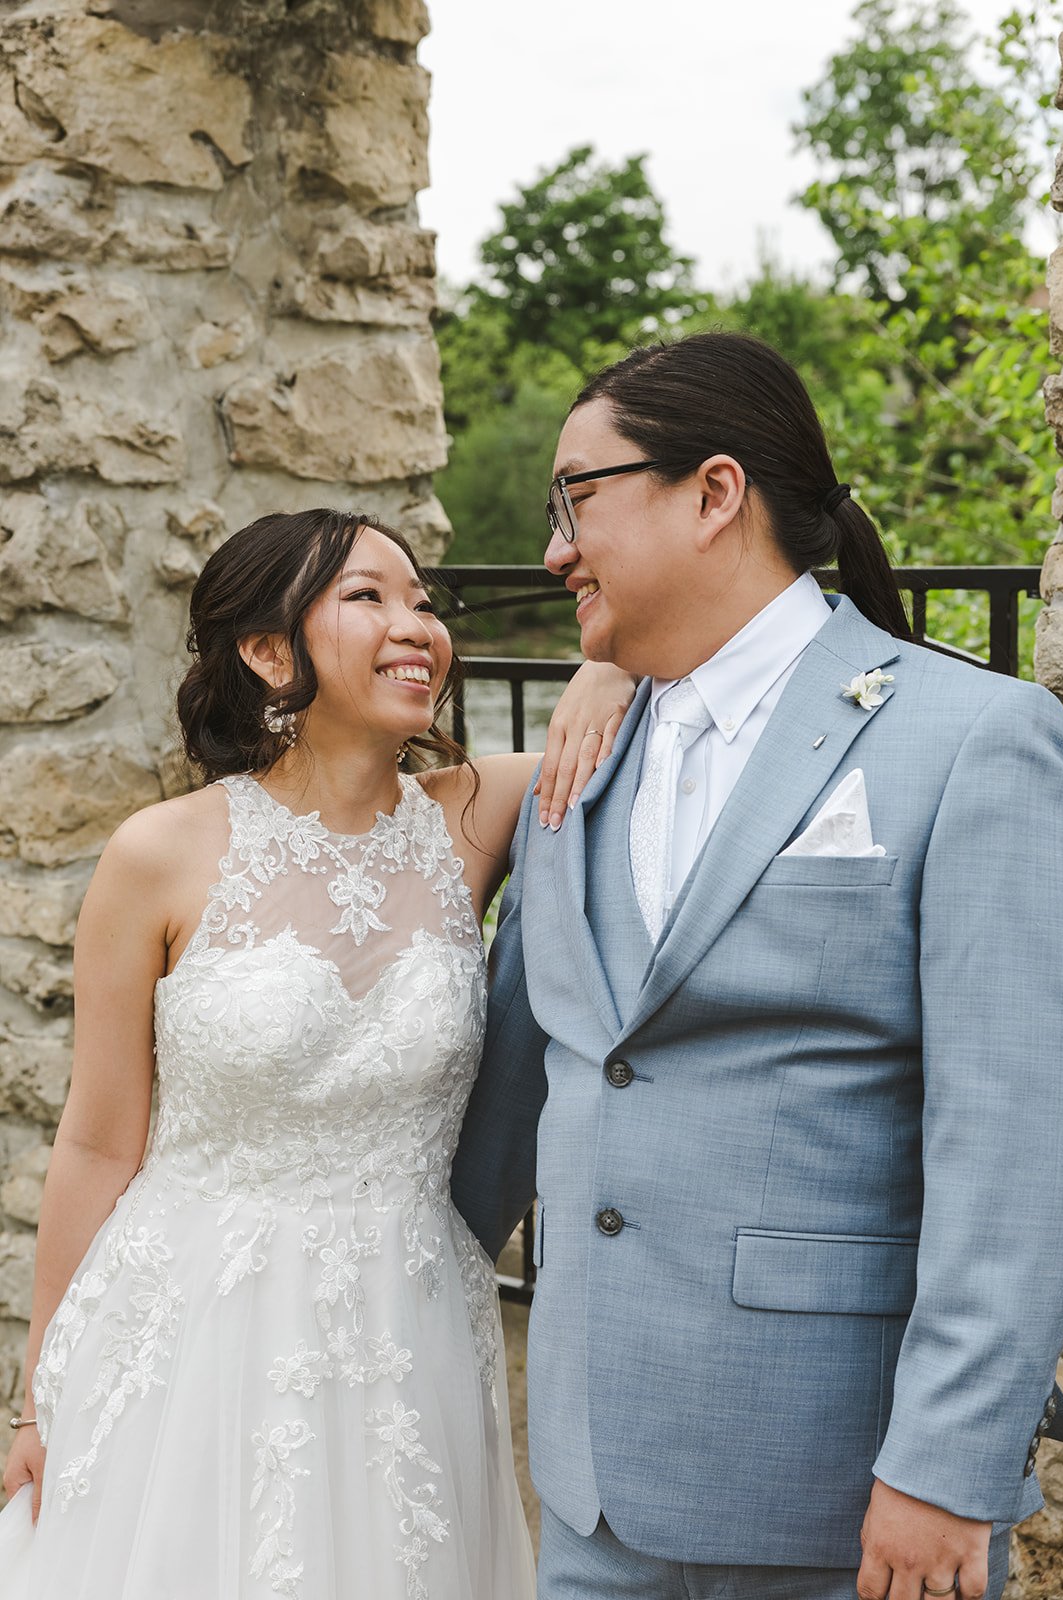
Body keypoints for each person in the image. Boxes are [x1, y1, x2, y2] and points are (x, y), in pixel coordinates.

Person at [450, 331, 1063, 1600]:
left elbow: (1013, 1136)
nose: (552, 545)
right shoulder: (579, 752)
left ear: (713, 493)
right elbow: (527, 1084)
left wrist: (948, 1464)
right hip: (584, 1490)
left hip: (841, 1501)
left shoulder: (973, 740)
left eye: (576, 497)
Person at [0, 508, 635, 1600]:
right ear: (265, 650)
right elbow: (98, 1144)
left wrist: (603, 670)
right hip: (191, 1328)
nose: (415, 627)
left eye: (423, 603)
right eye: (368, 597)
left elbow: (662, 722)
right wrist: (35, 1394)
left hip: (409, 1328)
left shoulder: (474, 820)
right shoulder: (158, 854)